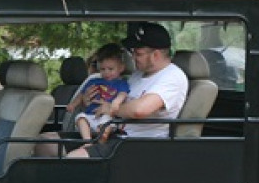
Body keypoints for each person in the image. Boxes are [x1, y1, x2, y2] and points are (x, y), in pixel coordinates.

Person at [68, 22, 188, 158]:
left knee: (73, 159)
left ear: (155, 55)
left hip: (139, 144)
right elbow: (116, 96)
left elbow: (140, 110)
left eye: (138, 53)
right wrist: (88, 101)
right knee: (48, 144)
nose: (133, 57)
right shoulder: (138, 74)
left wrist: (111, 109)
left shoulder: (172, 76)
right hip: (114, 134)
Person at [64, 43, 130, 141]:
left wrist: (116, 102)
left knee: (106, 123)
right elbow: (82, 94)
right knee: (80, 118)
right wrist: (73, 105)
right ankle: (87, 141)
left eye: (110, 69)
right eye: (103, 69)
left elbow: (122, 94)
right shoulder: (94, 80)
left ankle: (101, 143)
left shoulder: (121, 83)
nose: (106, 72)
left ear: (121, 68)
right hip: (90, 115)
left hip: (107, 116)